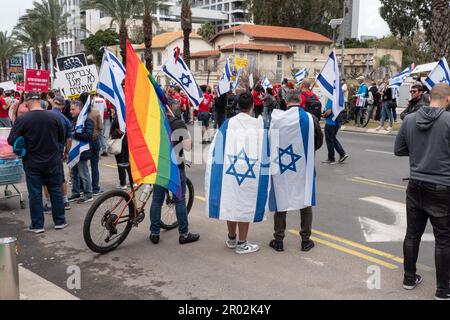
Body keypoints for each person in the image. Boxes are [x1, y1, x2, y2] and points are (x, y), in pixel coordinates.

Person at [394, 84, 450, 300]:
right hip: (442, 187)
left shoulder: (409, 119)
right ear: (447, 99)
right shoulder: (447, 121)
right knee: (444, 239)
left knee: (412, 234)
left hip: (415, 183)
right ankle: (443, 290)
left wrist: (418, 151)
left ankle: (409, 278)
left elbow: (399, 149)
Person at [206, 92, 265, 255]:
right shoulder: (257, 125)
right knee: (245, 204)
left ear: (238, 105)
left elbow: (217, 147)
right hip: (249, 170)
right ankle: (242, 243)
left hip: (230, 169)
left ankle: (232, 238)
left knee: (231, 202)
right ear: (253, 106)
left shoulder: (227, 123)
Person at [270, 89, 323, 252]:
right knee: (305, 200)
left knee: (281, 197)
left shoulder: (277, 118)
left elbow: (270, 139)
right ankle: (305, 240)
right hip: (303, 165)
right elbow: (319, 141)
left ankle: (278, 239)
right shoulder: (310, 118)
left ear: (286, 102)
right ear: (301, 101)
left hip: (282, 165)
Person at [7, 92, 66, 233]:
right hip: (52, 160)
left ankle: (38, 225)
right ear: (42, 102)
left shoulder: (23, 119)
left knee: (35, 193)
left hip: (32, 162)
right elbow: (62, 138)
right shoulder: (54, 116)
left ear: (27, 103)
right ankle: (60, 221)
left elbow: (10, 139)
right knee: (55, 190)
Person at [149, 96, 200, 245]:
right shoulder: (178, 123)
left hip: (160, 164)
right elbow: (187, 146)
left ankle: (154, 232)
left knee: (157, 200)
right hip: (175, 166)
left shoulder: (156, 122)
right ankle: (184, 234)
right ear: (172, 107)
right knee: (179, 200)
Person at [68, 100, 94, 204]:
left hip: (82, 152)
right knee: (73, 174)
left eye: (73, 109)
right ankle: (76, 193)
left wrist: (73, 134)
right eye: (70, 109)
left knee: (84, 174)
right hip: (73, 152)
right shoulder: (74, 120)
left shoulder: (87, 120)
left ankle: (88, 194)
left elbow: (88, 136)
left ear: (80, 109)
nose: (71, 111)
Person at [109, 107, 134, 190]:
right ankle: (132, 181)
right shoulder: (127, 117)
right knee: (127, 161)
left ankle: (123, 183)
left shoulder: (117, 119)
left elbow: (111, 132)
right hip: (127, 141)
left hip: (119, 143)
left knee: (120, 162)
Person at [84, 93, 104, 196]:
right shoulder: (95, 112)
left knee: (83, 166)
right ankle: (95, 187)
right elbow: (101, 127)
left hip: (84, 141)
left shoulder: (81, 113)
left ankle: (84, 188)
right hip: (95, 139)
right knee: (94, 165)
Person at [322, 100, 349, 165]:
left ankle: (331, 159)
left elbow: (328, 112)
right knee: (333, 139)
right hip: (337, 122)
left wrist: (323, 115)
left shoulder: (331, 99)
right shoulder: (337, 98)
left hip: (330, 123)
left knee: (329, 141)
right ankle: (342, 154)